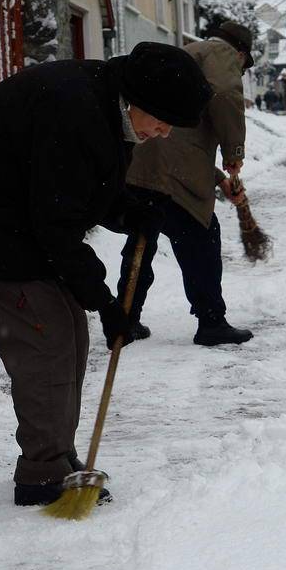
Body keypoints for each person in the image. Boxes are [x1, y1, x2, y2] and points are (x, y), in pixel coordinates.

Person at [0, 43, 212, 506]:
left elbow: (83, 189)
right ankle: (41, 473)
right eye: (162, 119)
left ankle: (57, 456)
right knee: (47, 343)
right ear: (139, 99)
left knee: (70, 335)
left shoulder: (105, 105)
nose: (164, 131)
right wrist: (106, 301)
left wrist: (129, 211)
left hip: (23, 227)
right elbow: (56, 220)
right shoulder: (75, 110)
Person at [117, 22, 255, 347]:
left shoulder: (189, 53)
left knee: (142, 239)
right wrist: (233, 149)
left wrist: (220, 181)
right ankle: (211, 321)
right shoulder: (220, 54)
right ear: (239, 52)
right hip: (170, 172)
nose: (241, 71)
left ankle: (124, 320)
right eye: (244, 66)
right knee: (201, 235)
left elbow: (185, 139)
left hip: (144, 161)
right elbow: (226, 96)